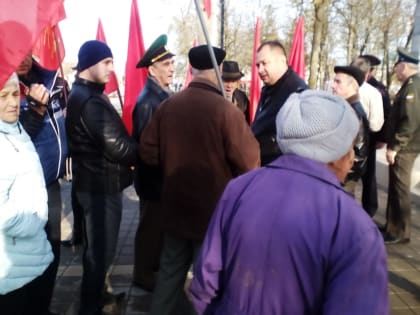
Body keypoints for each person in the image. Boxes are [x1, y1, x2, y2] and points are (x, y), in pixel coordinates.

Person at [189, 90, 389, 315]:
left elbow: (205, 283)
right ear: (335, 151)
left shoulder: (239, 189)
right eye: (350, 146)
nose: (353, 157)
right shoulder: (355, 226)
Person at [139, 44, 260, 315]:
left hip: (174, 208)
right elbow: (250, 162)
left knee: (170, 275)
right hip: (212, 215)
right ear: (217, 71)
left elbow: (147, 152)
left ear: (191, 70)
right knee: (210, 283)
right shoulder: (226, 111)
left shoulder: (168, 106)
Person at [65, 40, 139, 315]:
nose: (112, 69)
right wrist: (143, 151)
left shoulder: (86, 95)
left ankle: (98, 298)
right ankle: (90, 307)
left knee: (97, 252)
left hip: (94, 185)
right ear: (89, 65)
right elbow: (119, 148)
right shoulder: (90, 102)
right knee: (100, 255)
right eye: (106, 62)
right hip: (100, 189)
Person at [17, 51, 69, 315]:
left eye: (27, 50)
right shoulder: (8, 89)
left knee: (52, 250)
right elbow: (15, 141)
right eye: (16, 51)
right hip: (23, 191)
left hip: (50, 184)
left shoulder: (50, 81)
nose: (24, 57)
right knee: (28, 257)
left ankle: (43, 306)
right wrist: (36, 108)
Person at [0, 73, 54, 314]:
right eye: (3, 96)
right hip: (11, 267)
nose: (13, 102)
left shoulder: (14, 128)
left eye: (15, 94)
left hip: (29, 255)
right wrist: (33, 223)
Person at [131, 34, 175, 292]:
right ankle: (143, 275)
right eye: (166, 64)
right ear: (152, 68)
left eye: (171, 63)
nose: (171, 68)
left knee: (156, 229)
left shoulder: (159, 95)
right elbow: (148, 149)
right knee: (150, 229)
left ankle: (150, 270)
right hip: (153, 180)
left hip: (159, 179)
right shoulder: (149, 100)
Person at [382, 47, 420, 244]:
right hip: (403, 147)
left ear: (404, 66)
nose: (396, 71)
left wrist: (396, 147)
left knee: (400, 188)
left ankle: (401, 232)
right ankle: (392, 226)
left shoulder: (413, 87)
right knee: (395, 186)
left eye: (397, 67)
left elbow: (410, 121)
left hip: (405, 149)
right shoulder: (410, 85)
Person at [251, 39, 308, 166]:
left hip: (282, 167)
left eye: (264, 63)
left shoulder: (296, 93)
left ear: (282, 61)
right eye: (257, 65)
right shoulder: (270, 88)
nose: (260, 70)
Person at [351, 57, 384, 217]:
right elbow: (376, 124)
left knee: (347, 180)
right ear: (367, 74)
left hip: (344, 142)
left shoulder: (340, 87)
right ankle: (368, 213)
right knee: (368, 177)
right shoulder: (373, 93)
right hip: (366, 142)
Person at [332, 66, 370, 195]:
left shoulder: (354, 112)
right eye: (334, 81)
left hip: (342, 177)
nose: (333, 85)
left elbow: (359, 152)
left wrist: (345, 176)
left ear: (352, 86)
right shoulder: (344, 107)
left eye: (338, 82)